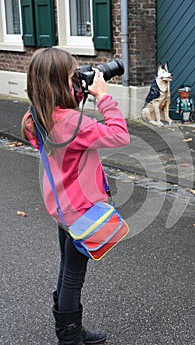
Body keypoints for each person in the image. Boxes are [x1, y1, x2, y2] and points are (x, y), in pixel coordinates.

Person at [21, 47, 130, 345]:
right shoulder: (72, 122)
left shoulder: (36, 116)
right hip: (82, 209)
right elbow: (120, 135)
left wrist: (80, 91)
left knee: (67, 266)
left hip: (61, 205)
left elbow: (64, 116)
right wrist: (103, 96)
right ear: (60, 82)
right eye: (72, 76)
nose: (76, 81)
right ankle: (68, 336)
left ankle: (72, 327)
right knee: (73, 275)